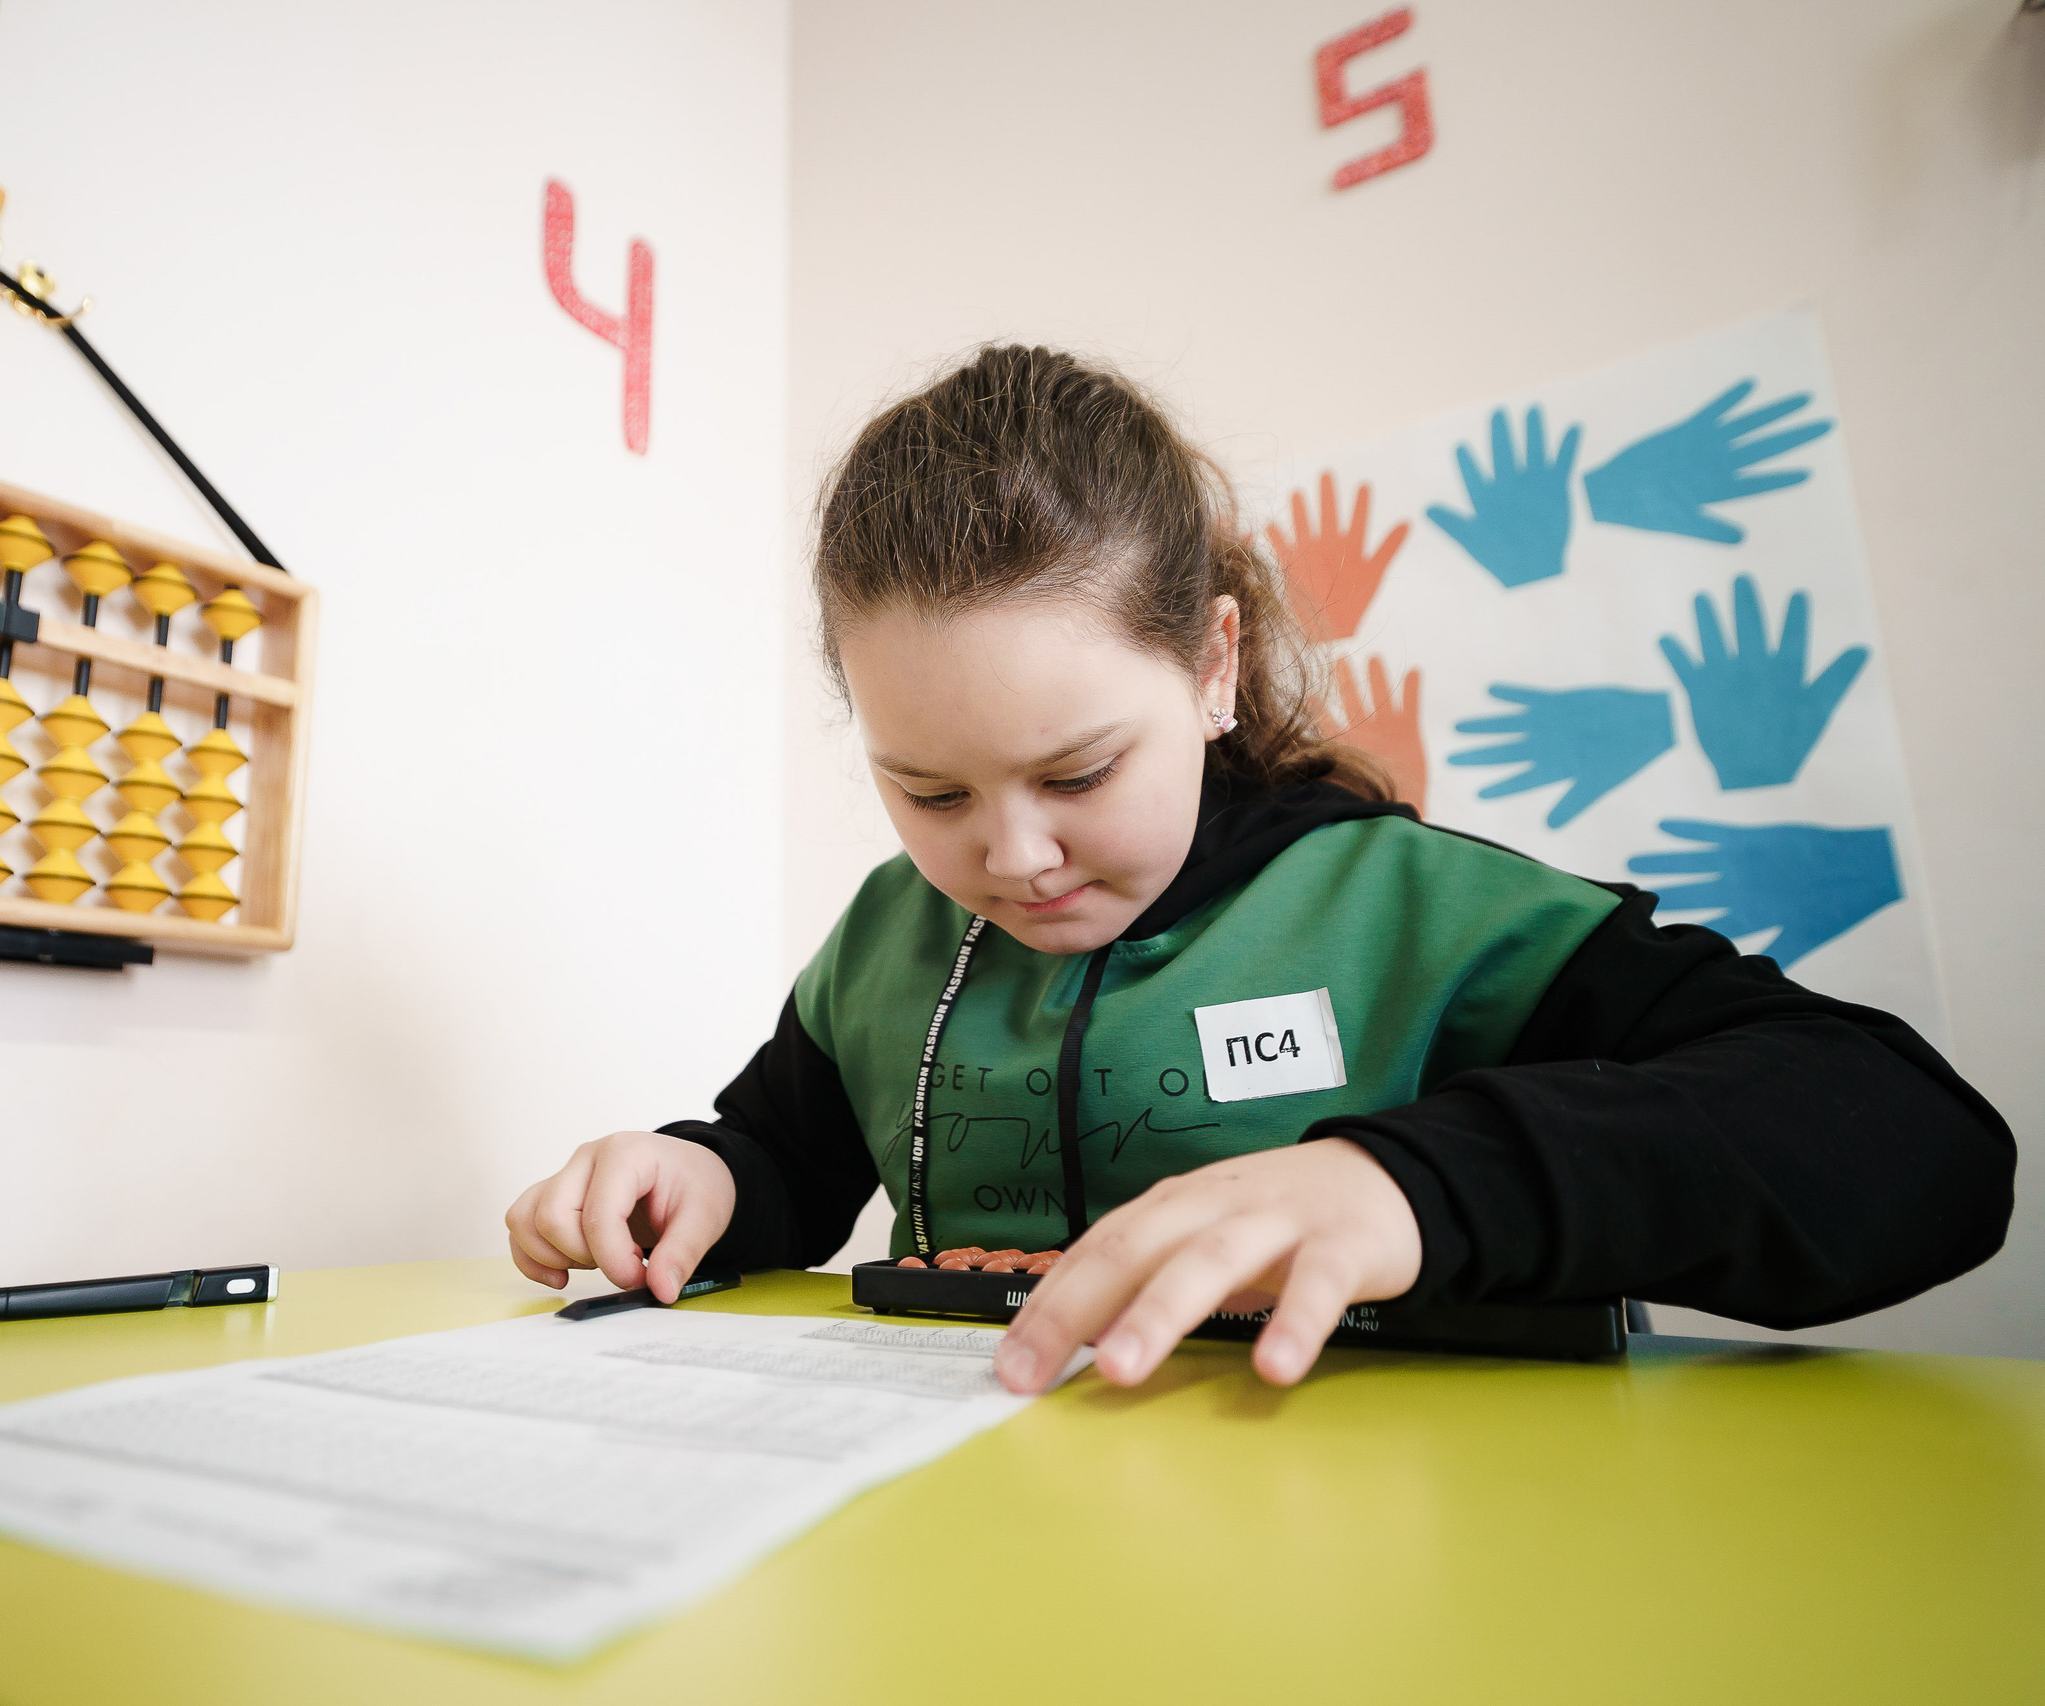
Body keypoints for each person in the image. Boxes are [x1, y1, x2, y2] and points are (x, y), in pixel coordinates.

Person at [503, 346, 2014, 1393]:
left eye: (1081, 772)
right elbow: (787, 1158)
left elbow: (1920, 1145)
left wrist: (1415, 1182)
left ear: (1215, 664)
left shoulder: (1418, 916)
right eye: (929, 789)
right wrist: (697, 1173)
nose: (1011, 858)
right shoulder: (890, 943)